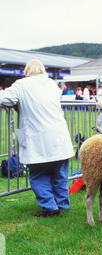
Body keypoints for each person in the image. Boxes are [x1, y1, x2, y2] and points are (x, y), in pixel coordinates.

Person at [0, 60, 74, 217]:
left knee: (38, 176)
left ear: (27, 72)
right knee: (60, 174)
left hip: (38, 138)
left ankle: (49, 206)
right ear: (43, 71)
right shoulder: (52, 85)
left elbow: (4, 99)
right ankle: (62, 205)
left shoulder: (22, 84)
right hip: (59, 137)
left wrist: (15, 105)